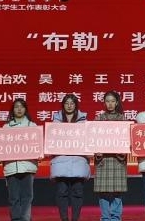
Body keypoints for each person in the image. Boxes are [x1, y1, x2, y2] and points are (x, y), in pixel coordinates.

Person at [51, 93, 91, 221]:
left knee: (77, 193)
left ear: (76, 105)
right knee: (61, 192)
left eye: (72, 103)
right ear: (63, 105)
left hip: (78, 162)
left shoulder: (84, 122)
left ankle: (75, 219)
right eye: (66, 103)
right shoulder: (55, 122)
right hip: (60, 162)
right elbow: (51, 141)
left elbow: (88, 141)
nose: (69, 106)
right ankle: (64, 218)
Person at [94, 91, 129, 221]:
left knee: (117, 192)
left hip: (117, 160)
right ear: (104, 103)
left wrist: (122, 151)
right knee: (103, 192)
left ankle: (115, 217)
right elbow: (93, 140)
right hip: (103, 160)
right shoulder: (98, 120)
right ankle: (105, 217)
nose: (110, 104)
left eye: (112, 101)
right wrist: (97, 152)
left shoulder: (123, 120)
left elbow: (127, 140)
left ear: (117, 102)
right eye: (107, 101)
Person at [2, 99, 38, 221]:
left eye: (21, 107)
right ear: (12, 110)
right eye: (16, 106)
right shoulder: (6, 127)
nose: (19, 109)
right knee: (14, 197)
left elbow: (37, 145)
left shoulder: (32, 126)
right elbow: (1, 146)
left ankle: (25, 218)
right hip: (11, 167)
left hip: (28, 166)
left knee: (27, 196)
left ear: (25, 109)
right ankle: (16, 219)